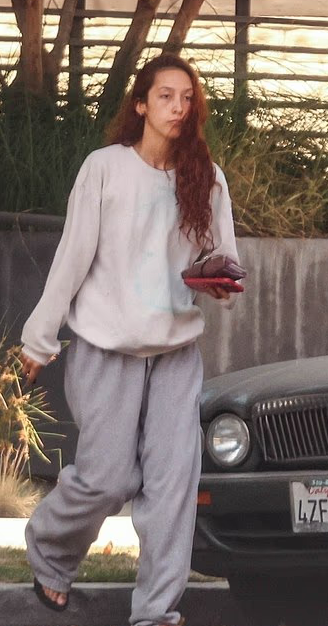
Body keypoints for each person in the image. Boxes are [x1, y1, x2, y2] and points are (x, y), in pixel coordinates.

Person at [19, 54, 240, 626]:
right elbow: (71, 259)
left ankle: (157, 612)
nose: (178, 107)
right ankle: (51, 553)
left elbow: (224, 260)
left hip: (175, 355)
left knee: (172, 487)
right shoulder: (105, 169)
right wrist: (39, 340)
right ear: (140, 104)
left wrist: (219, 283)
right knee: (107, 479)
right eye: (165, 96)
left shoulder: (208, 179)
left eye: (187, 98)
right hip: (106, 349)